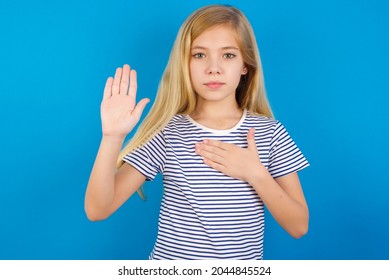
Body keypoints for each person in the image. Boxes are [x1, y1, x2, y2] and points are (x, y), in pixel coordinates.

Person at [85, 4, 309, 260]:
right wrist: (112, 138)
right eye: (199, 55)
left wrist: (255, 173)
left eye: (228, 55)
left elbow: (299, 225)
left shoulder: (269, 133)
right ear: (185, 63)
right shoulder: (167, 133)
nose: (213, 68)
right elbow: (97, 210)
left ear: (245, 64)